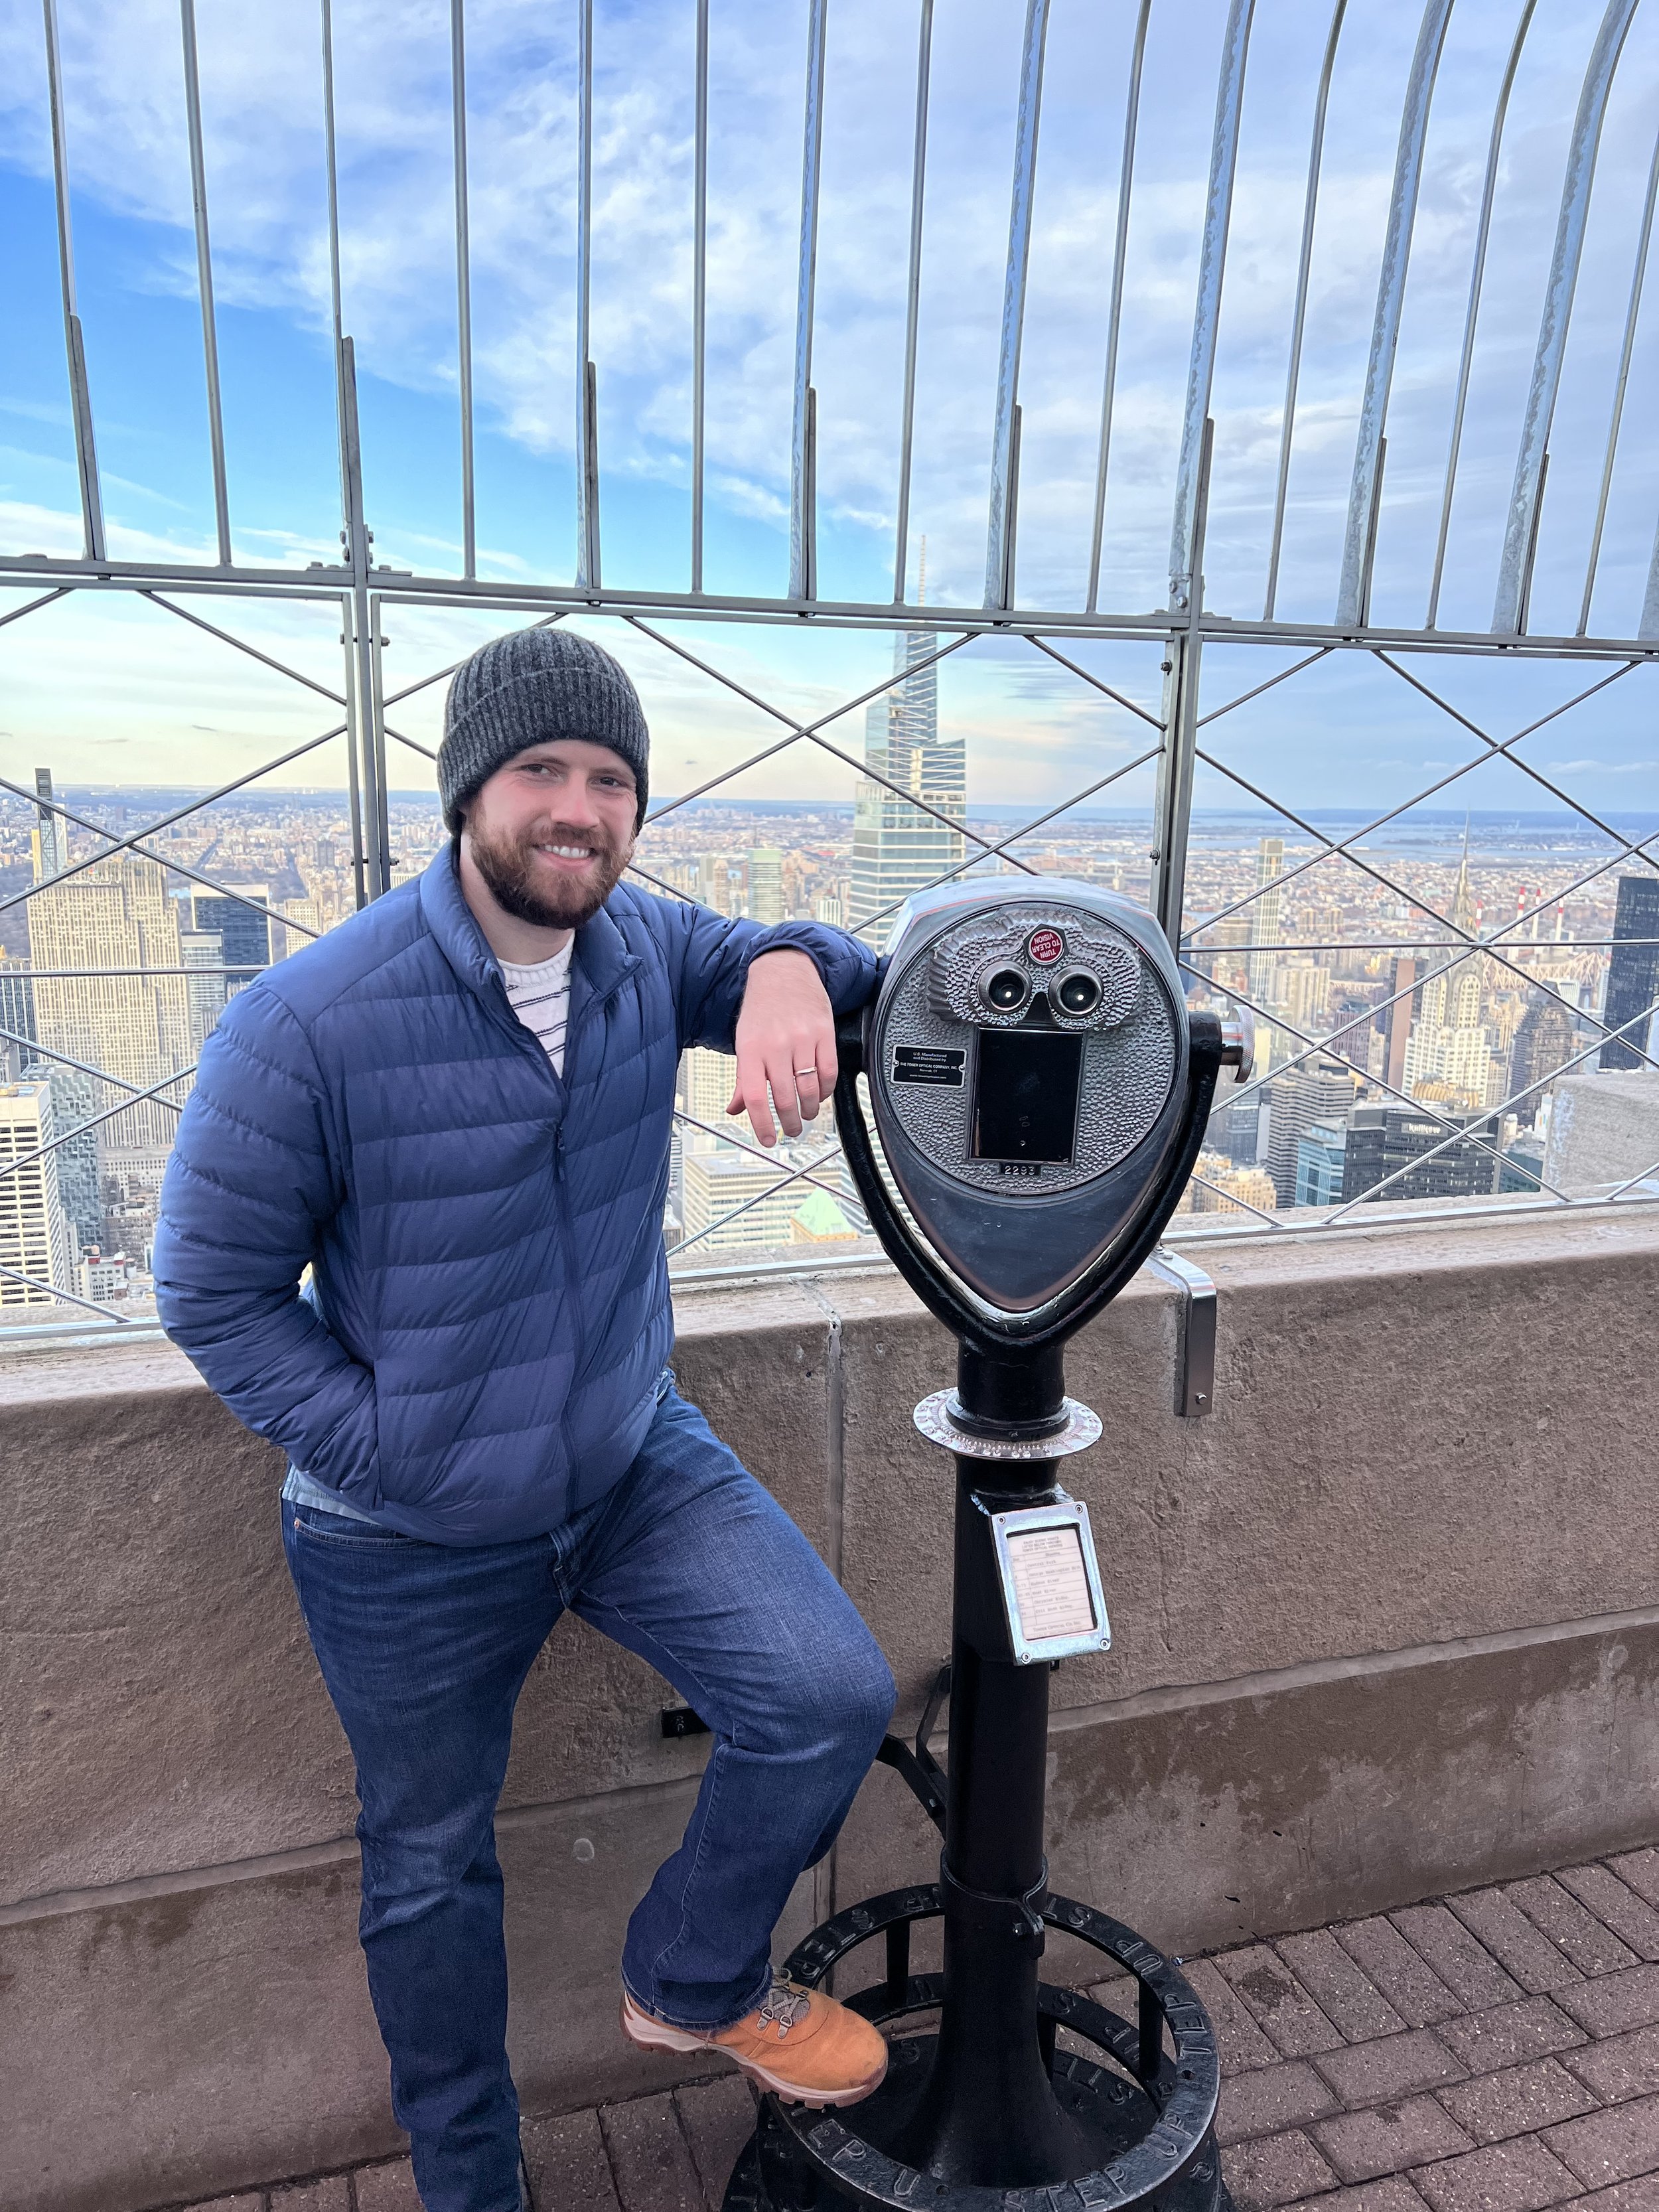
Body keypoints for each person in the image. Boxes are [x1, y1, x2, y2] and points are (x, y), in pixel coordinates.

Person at [153, 626, 897, 2212]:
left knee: (827, 1692)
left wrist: (782, 964)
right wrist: (393, 1445)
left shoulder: (640, 945)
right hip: (403, 1526)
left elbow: (802, 948)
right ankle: (471, 2187)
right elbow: (209, 1292)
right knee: (428, 1866)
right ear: (466, 793)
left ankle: (690, 1977)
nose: (579, 806)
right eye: (542, 771)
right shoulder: (307, 1019)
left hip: (627, 1460)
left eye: (611, 778)